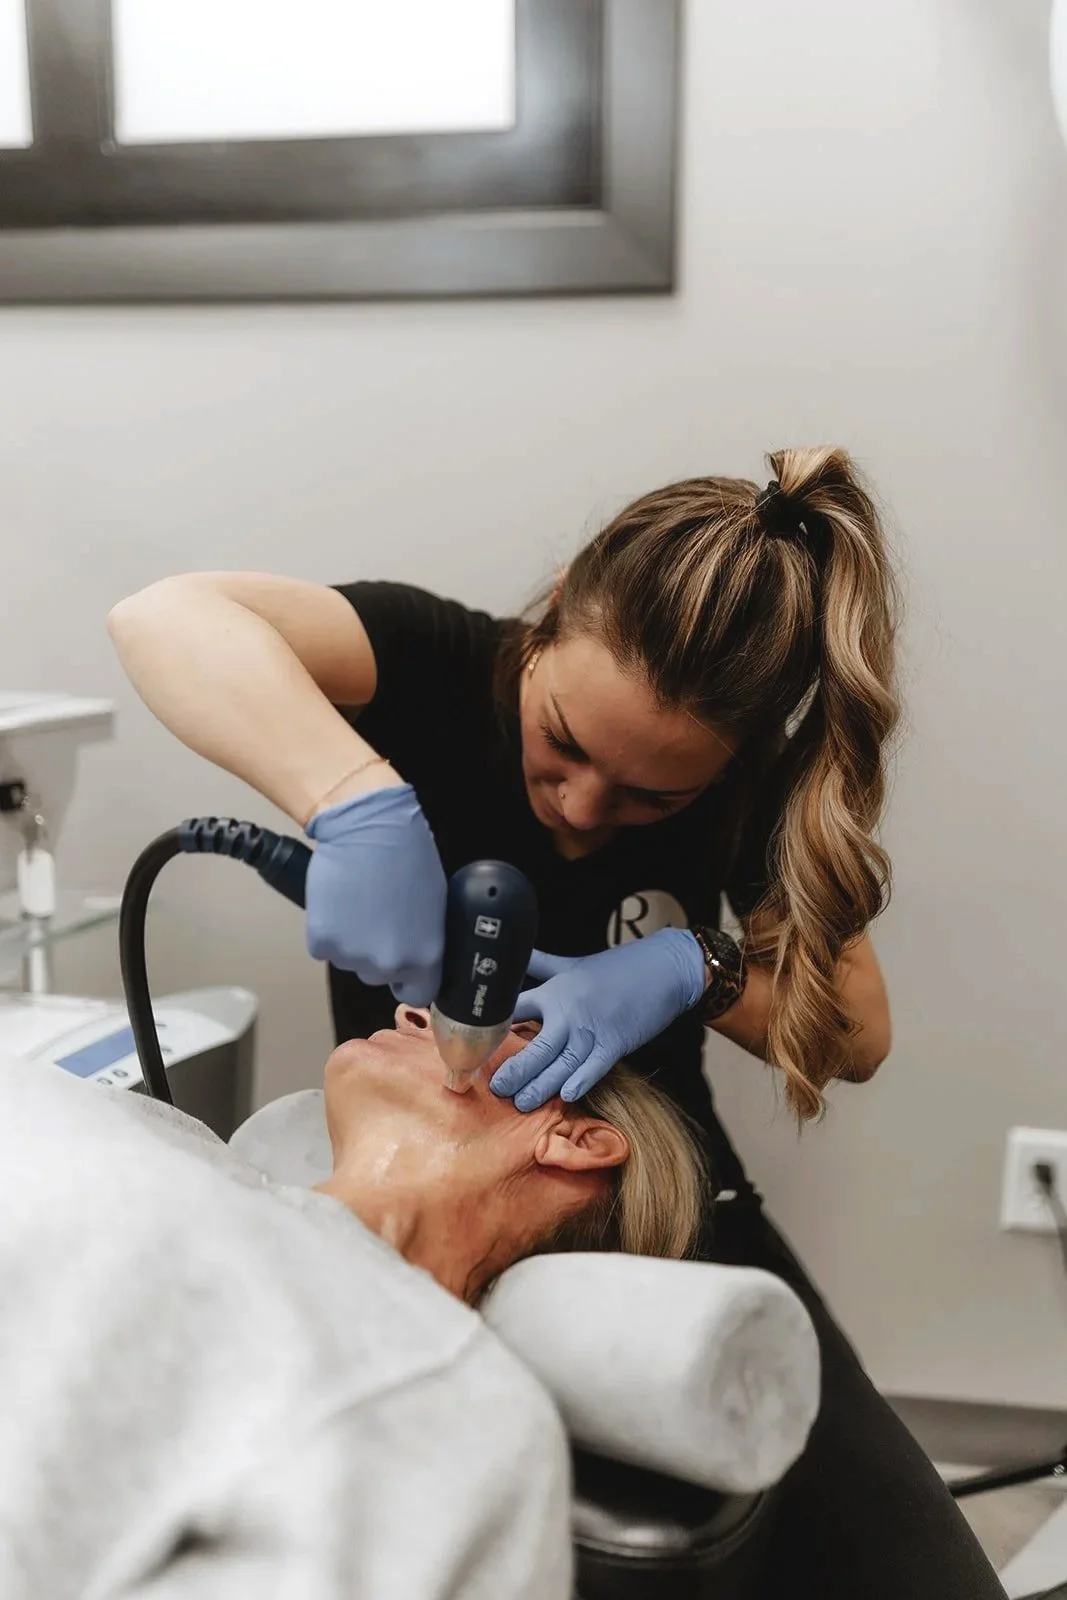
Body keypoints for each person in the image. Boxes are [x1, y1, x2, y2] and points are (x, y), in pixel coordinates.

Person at [109, 445, 1006, 1599]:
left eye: (651, 798)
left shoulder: (754, 791)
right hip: (450, 1152)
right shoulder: (437, 663)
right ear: (550, 619)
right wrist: (353, 799)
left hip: (677, 1205)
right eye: (564, 744)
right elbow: (164, 616)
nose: (583, 809)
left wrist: (694, 965)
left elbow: (858, 1036)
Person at [0, 1007, 705, 1600]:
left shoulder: (451, 1413)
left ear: (576, 1140)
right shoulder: (174, 1141)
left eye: (511, 1029)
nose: (413, 1010)